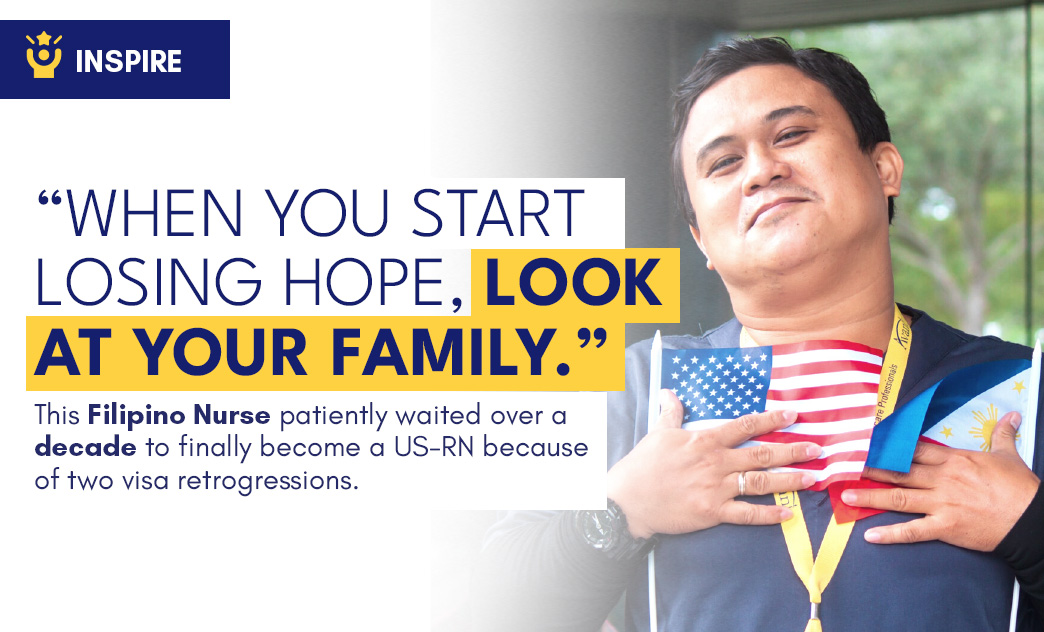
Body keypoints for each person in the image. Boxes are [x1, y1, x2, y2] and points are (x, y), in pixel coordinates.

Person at [472, 37, 1044, 632]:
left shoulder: (1018, 391)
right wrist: (622, 512)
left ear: (884, 168)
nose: (762, 171)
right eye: (723, 163)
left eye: (791, 134)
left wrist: (1030, 525)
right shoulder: (634, 387)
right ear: (702, 243)